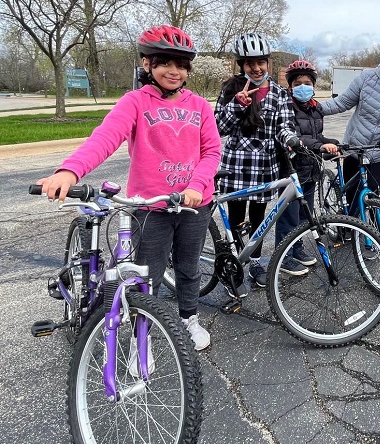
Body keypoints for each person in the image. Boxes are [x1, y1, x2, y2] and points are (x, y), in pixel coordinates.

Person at [35, 25, 222, 351]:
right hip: (151, 207)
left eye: (181, 64)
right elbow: (105, 138)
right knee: (146, 276)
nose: (174, 71)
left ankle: (189, 318)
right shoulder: (135, 102)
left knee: (188, 269)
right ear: (148, 64)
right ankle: (142, 336)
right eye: (165, 63)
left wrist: (196, 185)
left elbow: (212, 152)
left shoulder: (201, 107)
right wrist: (69, 171)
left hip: (193, 204)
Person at [215, 32, 298, 290]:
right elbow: (219, 127)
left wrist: (291, 140)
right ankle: (235, 264)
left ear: (268, 62)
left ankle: (256, 263)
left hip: (265, 166)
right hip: (236, 165)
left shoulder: (278, 93)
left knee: (260, 218)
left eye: (261, 62)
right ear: (242, 65)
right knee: (237, 216)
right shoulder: (231, 88)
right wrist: (237, 105)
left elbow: (284, 126)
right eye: (250, 63)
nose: (257, 68)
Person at [318, 38, 380, 212]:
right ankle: (348, 228)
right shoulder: (366, 77)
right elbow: (342, 102)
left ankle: (378, 235)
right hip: (354, 146)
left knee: (377, 196)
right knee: (352, 196)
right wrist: (314, 108)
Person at [275, 59, 339, 276]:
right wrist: (321, 145)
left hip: (311, 170)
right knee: (288, 217)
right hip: (291, 170)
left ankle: (297, 248)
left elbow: (316, 136)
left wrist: (333, 143)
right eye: (298, 82)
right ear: (291, 86)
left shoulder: (315, 108)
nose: (303, 86)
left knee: (304, 216)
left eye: (307, 82)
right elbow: (298, 137)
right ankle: (283, 256)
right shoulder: (286, 107)